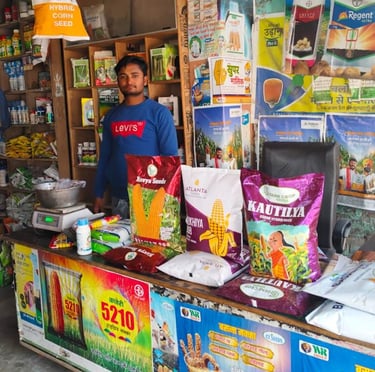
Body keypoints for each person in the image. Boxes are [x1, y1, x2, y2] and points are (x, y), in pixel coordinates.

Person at [93, 55, 178, 219]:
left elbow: (170, 159)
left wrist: (167, 197)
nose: (128, 81)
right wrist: (99, 192)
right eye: (123, 77)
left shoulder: (159, 113)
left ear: (145, 80)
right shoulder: (111, 116)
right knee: (124, 242)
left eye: (134, 75)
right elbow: (105, 156)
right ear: (118, 81)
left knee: (151, 243)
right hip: (119, 196)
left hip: (151, 196)